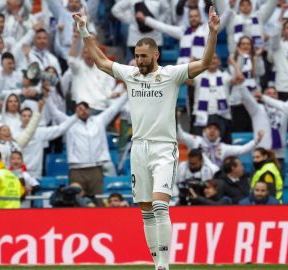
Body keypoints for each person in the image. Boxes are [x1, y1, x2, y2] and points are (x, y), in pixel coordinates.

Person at [73, 5, 220, 270]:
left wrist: (212, 33)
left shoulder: (171, 74)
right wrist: (84, 28)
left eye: (143, 56)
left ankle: (164, 264)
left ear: (156, 54)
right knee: (145, 210)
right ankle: (156, 264)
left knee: (161, 206)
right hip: (138, 149)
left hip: (164, 148)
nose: (139, 60)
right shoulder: (130, 75)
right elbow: (101, 61)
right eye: (137, 56)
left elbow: (206, 63)